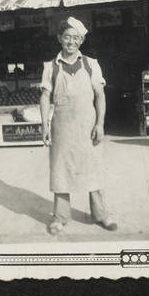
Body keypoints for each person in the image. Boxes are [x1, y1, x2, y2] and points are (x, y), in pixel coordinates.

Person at [40, 16, 117, 235]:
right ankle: (60, 217)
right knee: (60, 170)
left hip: (87, 124)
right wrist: (44, 125)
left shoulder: (91, 64)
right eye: (67, 37)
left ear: (81, 41)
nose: (71, 42)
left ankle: (100, 214)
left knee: (93, 166)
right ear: (59, 38)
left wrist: (100, 123)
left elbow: (100, 95)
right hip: (61, 125)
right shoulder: (50, 67)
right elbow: (45, 97)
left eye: (76, 38)